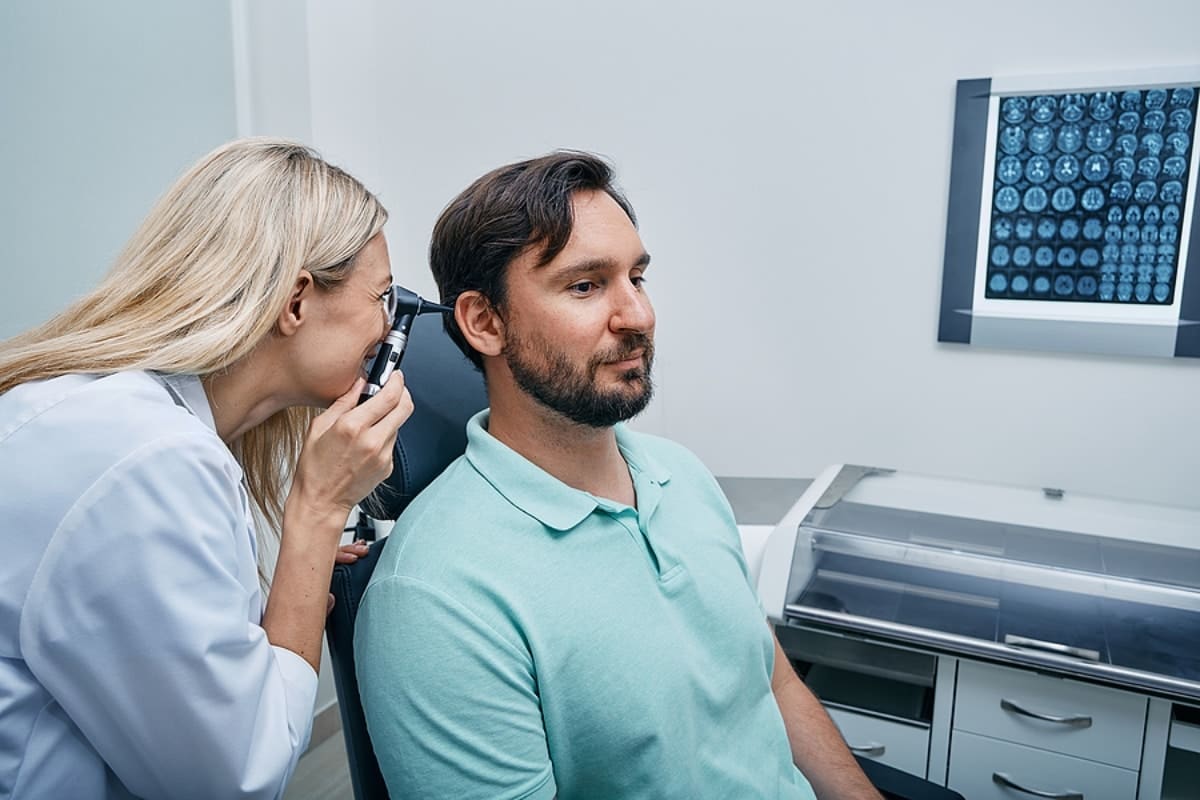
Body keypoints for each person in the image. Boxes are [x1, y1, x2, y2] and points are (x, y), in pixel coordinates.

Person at [355, 152, 881, 799]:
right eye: (586, 286)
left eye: (637, 277)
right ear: (485, 323)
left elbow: (769, 681)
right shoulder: (436, 595)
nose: (638, 316)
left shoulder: (682, 476)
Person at [0, 138, 414, 799]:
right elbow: (233, 778)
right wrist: (317, 511)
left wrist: (279, 591)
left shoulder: (126, 422)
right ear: (297, 302)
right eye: (384, 299)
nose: (389, 331)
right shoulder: (145, 459)